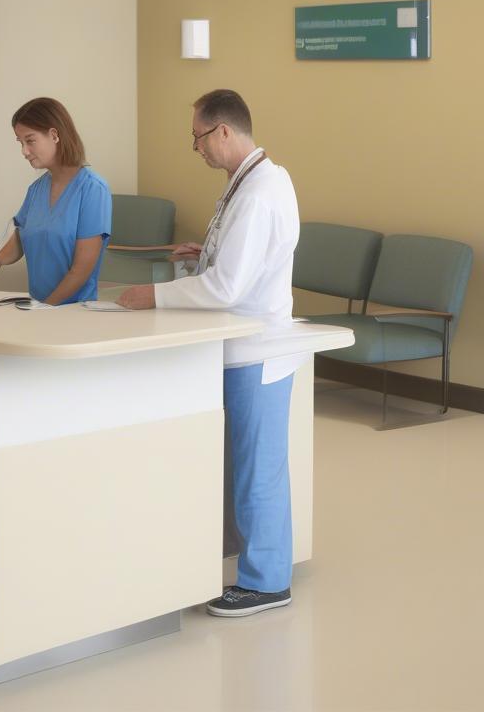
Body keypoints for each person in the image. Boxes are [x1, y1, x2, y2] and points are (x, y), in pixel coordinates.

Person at [118, 89, 300, 618]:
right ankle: (260, 571)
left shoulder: (261, 190)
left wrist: (151, 294)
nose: (195, 148)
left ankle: (267, 583)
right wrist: (209, 250)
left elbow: (226, 290)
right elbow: (244, 262)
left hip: (255, 348)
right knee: (252, 467)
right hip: (240, 344)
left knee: (256, 472)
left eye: (198, 137)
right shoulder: (253, 181)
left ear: (223, 131)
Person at [0, 97, 111, 305]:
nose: (24, 151)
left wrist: (46, 309)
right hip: (39, 308)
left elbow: (81, 270)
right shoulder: (36, 190)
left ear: (54, 135)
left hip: (75, 313)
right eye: (20, 143)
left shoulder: (92, 189)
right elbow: (22, 238)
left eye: (30, 141)